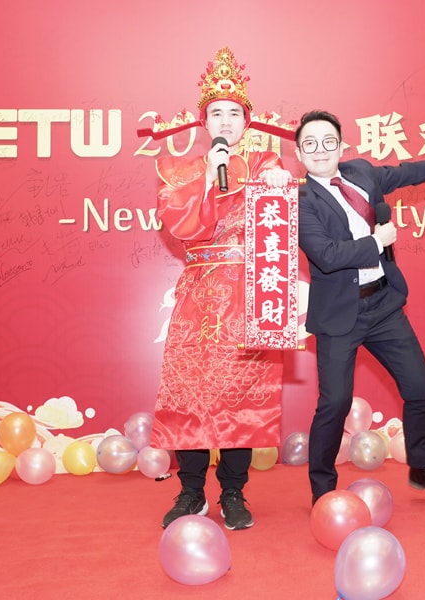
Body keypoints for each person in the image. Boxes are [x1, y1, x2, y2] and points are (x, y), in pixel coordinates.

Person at [294, 109, 425, 505]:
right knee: (335, 403)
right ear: (299, 154)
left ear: (342, 146)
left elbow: (409, 172)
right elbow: (327, 255)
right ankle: (323, 491)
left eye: (328, 141)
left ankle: (422, 466)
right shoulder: (300, 200)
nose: (320, 150)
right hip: (339, 316)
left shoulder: (362, 173)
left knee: (419, 386)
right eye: (310, 144)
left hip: (383, 304)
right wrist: (377, 241)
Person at [146, 48, 292, 530]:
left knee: (240, 398)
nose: (225, 121)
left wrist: (278, 183)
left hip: (248, 296)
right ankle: (191, 492)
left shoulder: (267, 161)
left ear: (246, 121)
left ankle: (233, 492)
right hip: (198, 297)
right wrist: (208, 177)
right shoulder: (180, 171)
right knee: (188, 394)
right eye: (217, 114)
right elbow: (181, 225)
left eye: (234, 113)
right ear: (204, 122)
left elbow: (278, 219)